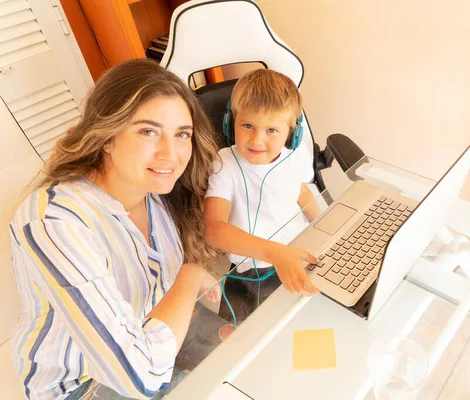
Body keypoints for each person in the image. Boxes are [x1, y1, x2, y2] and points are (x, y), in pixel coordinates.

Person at [9, 59, 223, 400]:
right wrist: (191, 273)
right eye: (148, 131)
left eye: (182, 134)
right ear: (106, 137)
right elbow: (140, 377)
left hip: (146, 336)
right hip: (81, 385)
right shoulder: (54, 221)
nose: (171, 153)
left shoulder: (154, 192)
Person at [203, 69, 321, 334]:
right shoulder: (226, 165)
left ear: (292, 133)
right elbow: (214, 228)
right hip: (252, 270)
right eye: (247, 126)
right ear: (230, 123)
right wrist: (276, 253)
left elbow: (300, 190)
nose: (257, 139)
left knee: (304, 323)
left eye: (271, 130)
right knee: (236, 335)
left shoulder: (295, 156)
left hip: (298, 254)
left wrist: (325, 225)